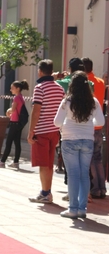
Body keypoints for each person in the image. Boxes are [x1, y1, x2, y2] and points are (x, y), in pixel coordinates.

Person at [54, 71, 105, 218]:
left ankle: (73, 208)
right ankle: (82, 208)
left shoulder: (67, 101)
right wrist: (89, 123)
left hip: (69, 139)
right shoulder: (93, 102)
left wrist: (66, 124)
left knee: (73, 175)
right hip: (87, 140)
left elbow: (56, 122)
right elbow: (100, 122)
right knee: (84, 174)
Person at [27, 59, 65, 203]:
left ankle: (45, 193)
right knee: (49, 164)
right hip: (54, 130)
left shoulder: (40, 88)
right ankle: (47, 192)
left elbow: (36, 111)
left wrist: (31, 131)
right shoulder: (60, 89)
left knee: (43, 164)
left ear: (41, 71)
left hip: (41, 131)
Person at [81, 58, 107, 199]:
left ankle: (96, 188)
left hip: (89, 125)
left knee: (91, 159)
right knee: (98, 158)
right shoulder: (101, 82)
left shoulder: (86, 84)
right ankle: (102, 188)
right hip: (99, 123)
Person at [0, 80, 29, 169]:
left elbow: (12, 110)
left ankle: (2, 161)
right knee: (17, 143)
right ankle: (16, 162)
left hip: (14, 122)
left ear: (18, 88)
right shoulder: (21, 97)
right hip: (19, 123)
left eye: (12, 88)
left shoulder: (16, 98)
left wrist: (8, 111)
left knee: (8, 142)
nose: (10, 90)